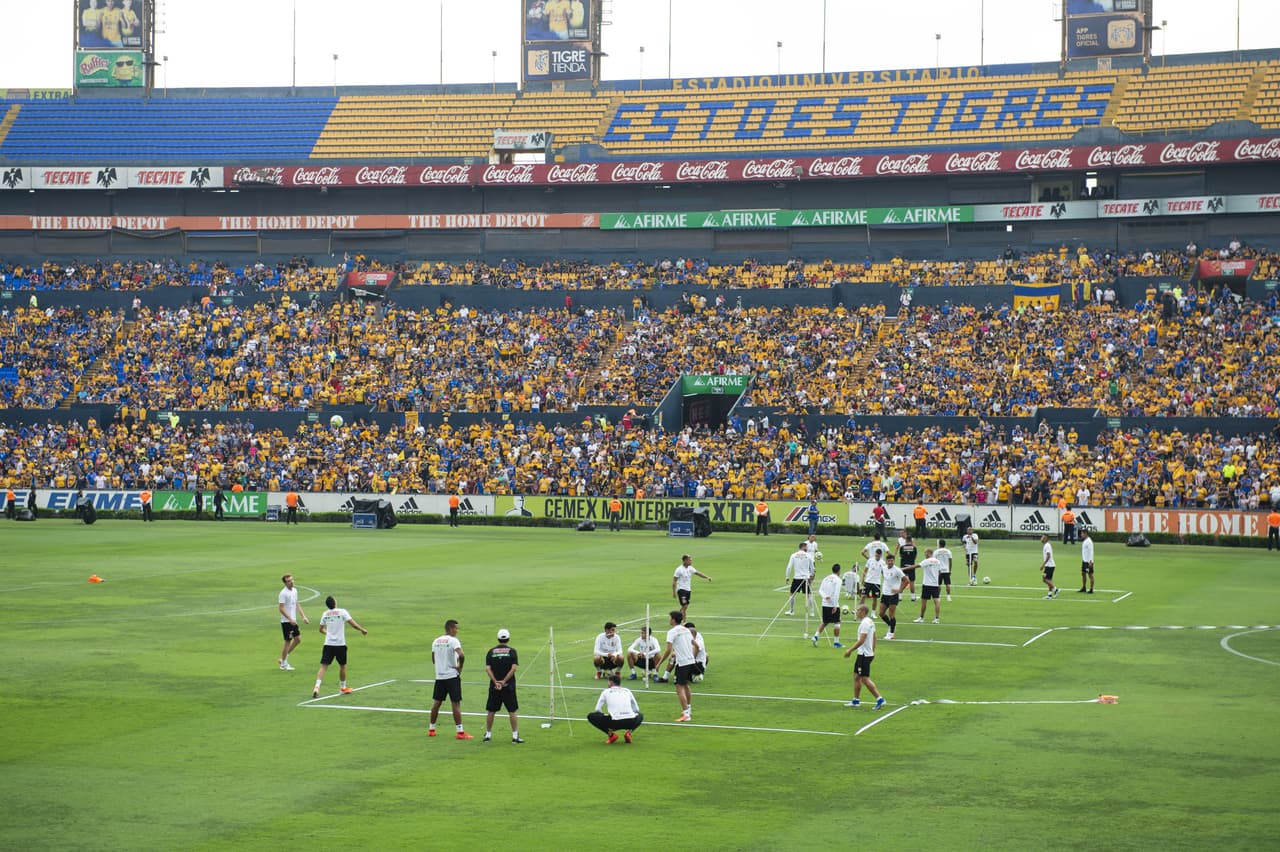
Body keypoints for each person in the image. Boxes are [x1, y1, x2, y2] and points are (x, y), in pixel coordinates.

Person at [311, 595, 367, 699]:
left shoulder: (325, 614)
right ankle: (343, 688)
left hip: (328, 644)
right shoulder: (342, 612)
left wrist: (328, 633)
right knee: (342, 666)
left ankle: (317, 687)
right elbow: (353, 624)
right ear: (335, 603)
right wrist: (362, 629)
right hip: (340, 644)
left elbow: (320, 629)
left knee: (323, 667)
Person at [429, 619, 472, 739]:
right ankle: (460, 732)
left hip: (439, 676)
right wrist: (460, 667)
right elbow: (461, 655)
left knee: (436, 703)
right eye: (456, 628)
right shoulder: (453, 641)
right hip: (452, 676)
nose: (457, 631)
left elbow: (433, 658)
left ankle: (431, 729)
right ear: (450, 628)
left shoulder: (436, 641)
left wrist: (439, 667)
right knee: (456, 704)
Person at [656, 610, 699, 721]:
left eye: (670, 618)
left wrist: (659, 663)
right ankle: (688, 710)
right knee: (685, 685)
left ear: (673, 620)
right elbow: (695, 645)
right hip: (690, 661)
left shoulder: (672, 632)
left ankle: (686, 714)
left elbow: (668, 649)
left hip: (682, 662)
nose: (669, 620)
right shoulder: (686, 630)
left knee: (679, 688)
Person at [483, 628, 523, 743]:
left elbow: (487, 669)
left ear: (498, 638)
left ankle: (488, 735)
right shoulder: (512, 651)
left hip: (494, 687)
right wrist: (504, 681)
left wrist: (496, 681)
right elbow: (513, 668)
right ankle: (515, 737)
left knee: (491, 711)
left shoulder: (491, 652)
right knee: (512, 711)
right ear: (508, 638)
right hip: (508, 686)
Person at [843, 604, 885, 709]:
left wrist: (850, 650)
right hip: (866, 653)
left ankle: (880, 699)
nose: (856, 612)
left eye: (857, 610)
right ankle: (856, 700)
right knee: (856, 676)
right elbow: (874, 637)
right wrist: (873, 651)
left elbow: (861, 640)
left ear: (863, 612)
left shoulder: (865, 624)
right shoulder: (870, 621)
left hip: (864, 655)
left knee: (864, 679)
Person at [587, 673, 644, 744]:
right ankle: (629, 733)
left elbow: (597, 710)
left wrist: (605, 715)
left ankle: (611, 735)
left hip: (614, 723)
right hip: (630, 722)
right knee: (640, 715)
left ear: (611, 683)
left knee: (591, 716)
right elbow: (636, 709)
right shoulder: (627, 690)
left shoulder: (606, 691)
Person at [277, 573, 310, 671]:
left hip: (293, 621)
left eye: (292, 580)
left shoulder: (295, 591)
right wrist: (290, 619)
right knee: (288, 641)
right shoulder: (283, 593)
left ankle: (283, 658)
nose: (291, 582)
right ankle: (283, 664)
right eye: (289, 581)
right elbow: (281, 609)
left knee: (298, 639)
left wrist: (303, 616)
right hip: (287, 621)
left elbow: (297, 604)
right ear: (285, 583)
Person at [813, 564, 845, 647]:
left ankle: (815, 636)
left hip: (824, 604)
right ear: (839, 571)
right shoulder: (838, 580)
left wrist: (825, 597)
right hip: (833, 604)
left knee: (825, 622)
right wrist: (834, 605)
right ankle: (836, 642)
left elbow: (820, 590)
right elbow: (837, 593)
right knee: (837, 622)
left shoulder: (826, 578)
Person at [672, 553, 712, 618]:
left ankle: (677, 616)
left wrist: (707, 577)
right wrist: (674, 592)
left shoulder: (690, 568)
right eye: (689, 560)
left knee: (685, 606)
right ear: (685, 561)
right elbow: (674, 581)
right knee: (685, 606)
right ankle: (684, 622)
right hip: (681, 590)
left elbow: (698, 573)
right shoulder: (679, 570)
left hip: (688, 590)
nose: (691, 561)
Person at [878, 553, 907, 640]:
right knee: (881, 613)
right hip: (885, 594)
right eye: (889, 560)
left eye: (892, 560)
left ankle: (891, 633)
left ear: (894, 561)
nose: (890, 562)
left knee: (891, 614)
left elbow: (906, 580)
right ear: (886, 561)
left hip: (893, 595)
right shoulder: (883, 568)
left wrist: (900, 590)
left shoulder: (897, 570)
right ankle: (891, 626)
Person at [783, 540, 815, 617]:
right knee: (809, 595)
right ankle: (812, 612)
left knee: (792, 594)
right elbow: (812, 567)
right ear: (803, 547)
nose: (807, 548)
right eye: (806, 547)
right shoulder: (808, 555)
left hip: (797, 578)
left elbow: (789, 566)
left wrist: (787, 576)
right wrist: (812, 575)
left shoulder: (793, 555)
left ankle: (791, 610)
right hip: (806, 578)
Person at [913, 548, 943, 624]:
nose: (924, 554)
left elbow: (916, 566)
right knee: (937, 601)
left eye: (925, 552)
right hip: (935, 584)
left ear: (928, 553)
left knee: (924, 602)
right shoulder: (938, 561)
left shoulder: (927, 561)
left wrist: (903, 569)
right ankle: (937, 619)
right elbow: (939, 573)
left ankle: (921, 618)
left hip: (927, 584)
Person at [861, 547, 886, 613]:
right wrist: (863, 579)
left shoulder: (883, 563)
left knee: (875, 598)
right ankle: (859, 610)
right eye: (876, 555)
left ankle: (873, 613)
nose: (877, 557)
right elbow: (865, 571)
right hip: (868, 581)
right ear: (875, 554)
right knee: (863, 596)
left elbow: (884, 573)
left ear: (881, 555)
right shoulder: (870, 560)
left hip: (877, 583)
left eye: (878, 556)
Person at [898, 535, 919, 602]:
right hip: (911, 566)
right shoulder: (914, 548)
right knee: (912, 581)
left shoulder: (902, 547)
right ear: (911, 540)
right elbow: (915, 557)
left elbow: (900, 556)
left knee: (903, 581)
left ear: (906, 540)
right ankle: (913, 597)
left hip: (903, 566)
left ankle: (899, 596)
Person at [1040, 535, 1060, 599]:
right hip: (1050, 565)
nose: (1041, 539)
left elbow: (1048, 556)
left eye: (1042, 537)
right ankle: (1049, 595)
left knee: (1044, 579)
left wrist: (1043, 564)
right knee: (1049, 580)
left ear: (1046, 539)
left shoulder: (1047, 546)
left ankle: (1056, 589)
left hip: (1049, 565)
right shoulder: (1047, 545)